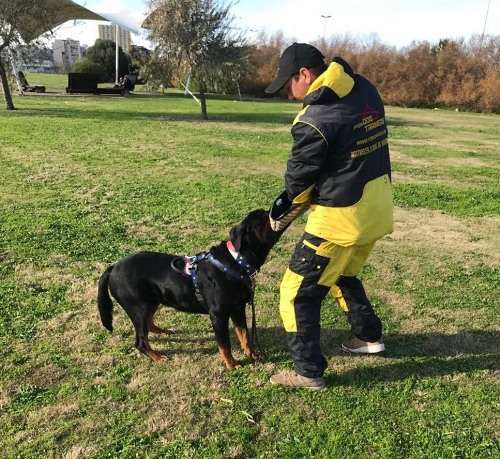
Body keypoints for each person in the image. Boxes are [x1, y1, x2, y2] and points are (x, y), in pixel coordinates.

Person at [266, 43, 393, 390]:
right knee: (341, 273)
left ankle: (308, 371)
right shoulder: (364, 87)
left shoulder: (313, 120)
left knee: (296, 293)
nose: (289, 96)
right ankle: (369, 338)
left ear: (304, 75)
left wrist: (282, 212)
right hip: (377, 207)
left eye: (287, 86)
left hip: (340, 220)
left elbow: (299, 183)